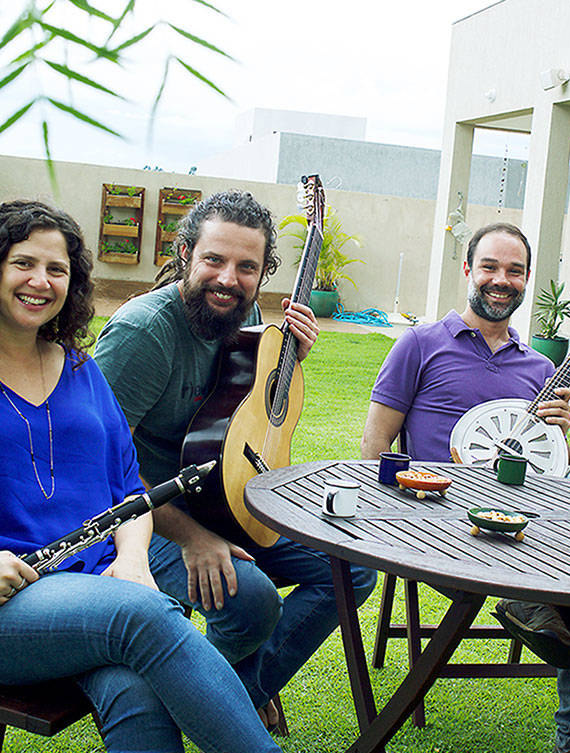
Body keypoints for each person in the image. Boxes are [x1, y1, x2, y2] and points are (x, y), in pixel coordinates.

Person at [0, 200, 295, 753]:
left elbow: (127, 492)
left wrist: (135, 559)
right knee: (146, 617)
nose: (41, 282)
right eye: (23, 264)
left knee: (139, 690)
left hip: (87, 590)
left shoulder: (79, 372)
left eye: (57, 269)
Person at [361, 221, 570, 753]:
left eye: (514, 271)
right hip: (447, 516)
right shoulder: (420, 344)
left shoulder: (540, 366)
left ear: (526, 281)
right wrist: (402, 503)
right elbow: (374, 446)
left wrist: (559, 431)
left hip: (534, 514)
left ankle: (543, 595)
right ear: (468, 270)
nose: (502, 280)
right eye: (490, 267)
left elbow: (551, 466)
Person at [92, 189, 377, 725]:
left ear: (264, 273)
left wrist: (288, 361)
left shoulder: (236, 328)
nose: (228, 279)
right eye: (214, 260)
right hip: (142, 523)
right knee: (251, 600)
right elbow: (98, 468)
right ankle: (204, 703)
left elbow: (243, 412)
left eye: (247, 267)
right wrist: (192, 538)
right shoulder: (145, 332)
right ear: (184, 256)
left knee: (352, 567)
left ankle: (230, 692)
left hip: (223, 506)